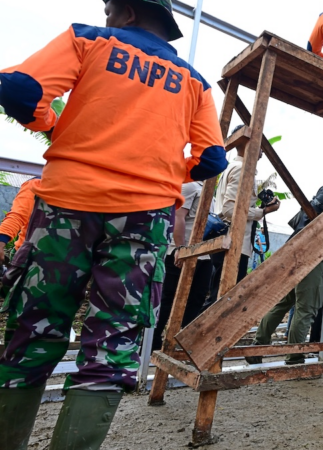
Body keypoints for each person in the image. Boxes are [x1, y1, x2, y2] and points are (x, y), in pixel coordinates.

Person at [0, 1, 227, 447]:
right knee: (112, 341)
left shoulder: (88, 40)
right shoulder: (194, 82)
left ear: (126, 12)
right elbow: (212, 159)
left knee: (34, 329)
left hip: (68, 203)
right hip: (143, 218)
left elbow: (18, 88)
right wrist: (164, 171)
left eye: (109, 10)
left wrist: (53, 123)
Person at [249, 158, 323, 365]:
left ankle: (257, 347)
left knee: (283, 303)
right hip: (313, 256)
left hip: (294, 250)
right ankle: (295, 356)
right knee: (306, 309)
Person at [207, 125, 281, 304]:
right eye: (260, 145)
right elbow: (229, 210)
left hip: (228, 240)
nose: (262, 151)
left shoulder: (232, 167)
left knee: (219, 296)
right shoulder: (241, 169)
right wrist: (263, 211)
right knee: (225, 300)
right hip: (233, 243)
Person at [153, 181, 215, 351]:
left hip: (203, 254)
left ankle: (184, 342)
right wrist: (180, 248)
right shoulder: (190, 187)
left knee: (197, 298)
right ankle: (153, 341)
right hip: (182, 252)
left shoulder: (208, 190)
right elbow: (178, 216)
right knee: (168, 298)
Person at [0, 178, 41, 294]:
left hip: (65, 260)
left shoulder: (83, 187)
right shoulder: (36, 184)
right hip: (26, 257)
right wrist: (1, 240)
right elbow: (18, 215)